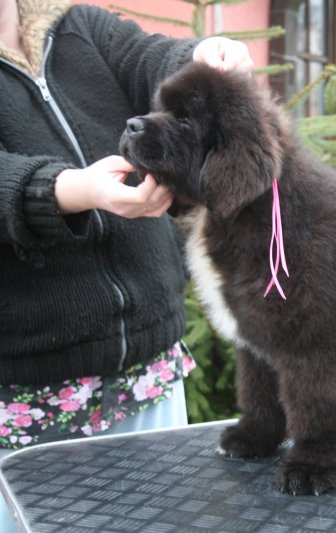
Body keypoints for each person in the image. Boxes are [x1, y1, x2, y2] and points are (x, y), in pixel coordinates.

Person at [0, 0, 254, 529]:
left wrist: (204, 58)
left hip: (147, 375)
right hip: (24, 399)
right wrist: (70, 189)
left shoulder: (78, 25)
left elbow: (151, 59)